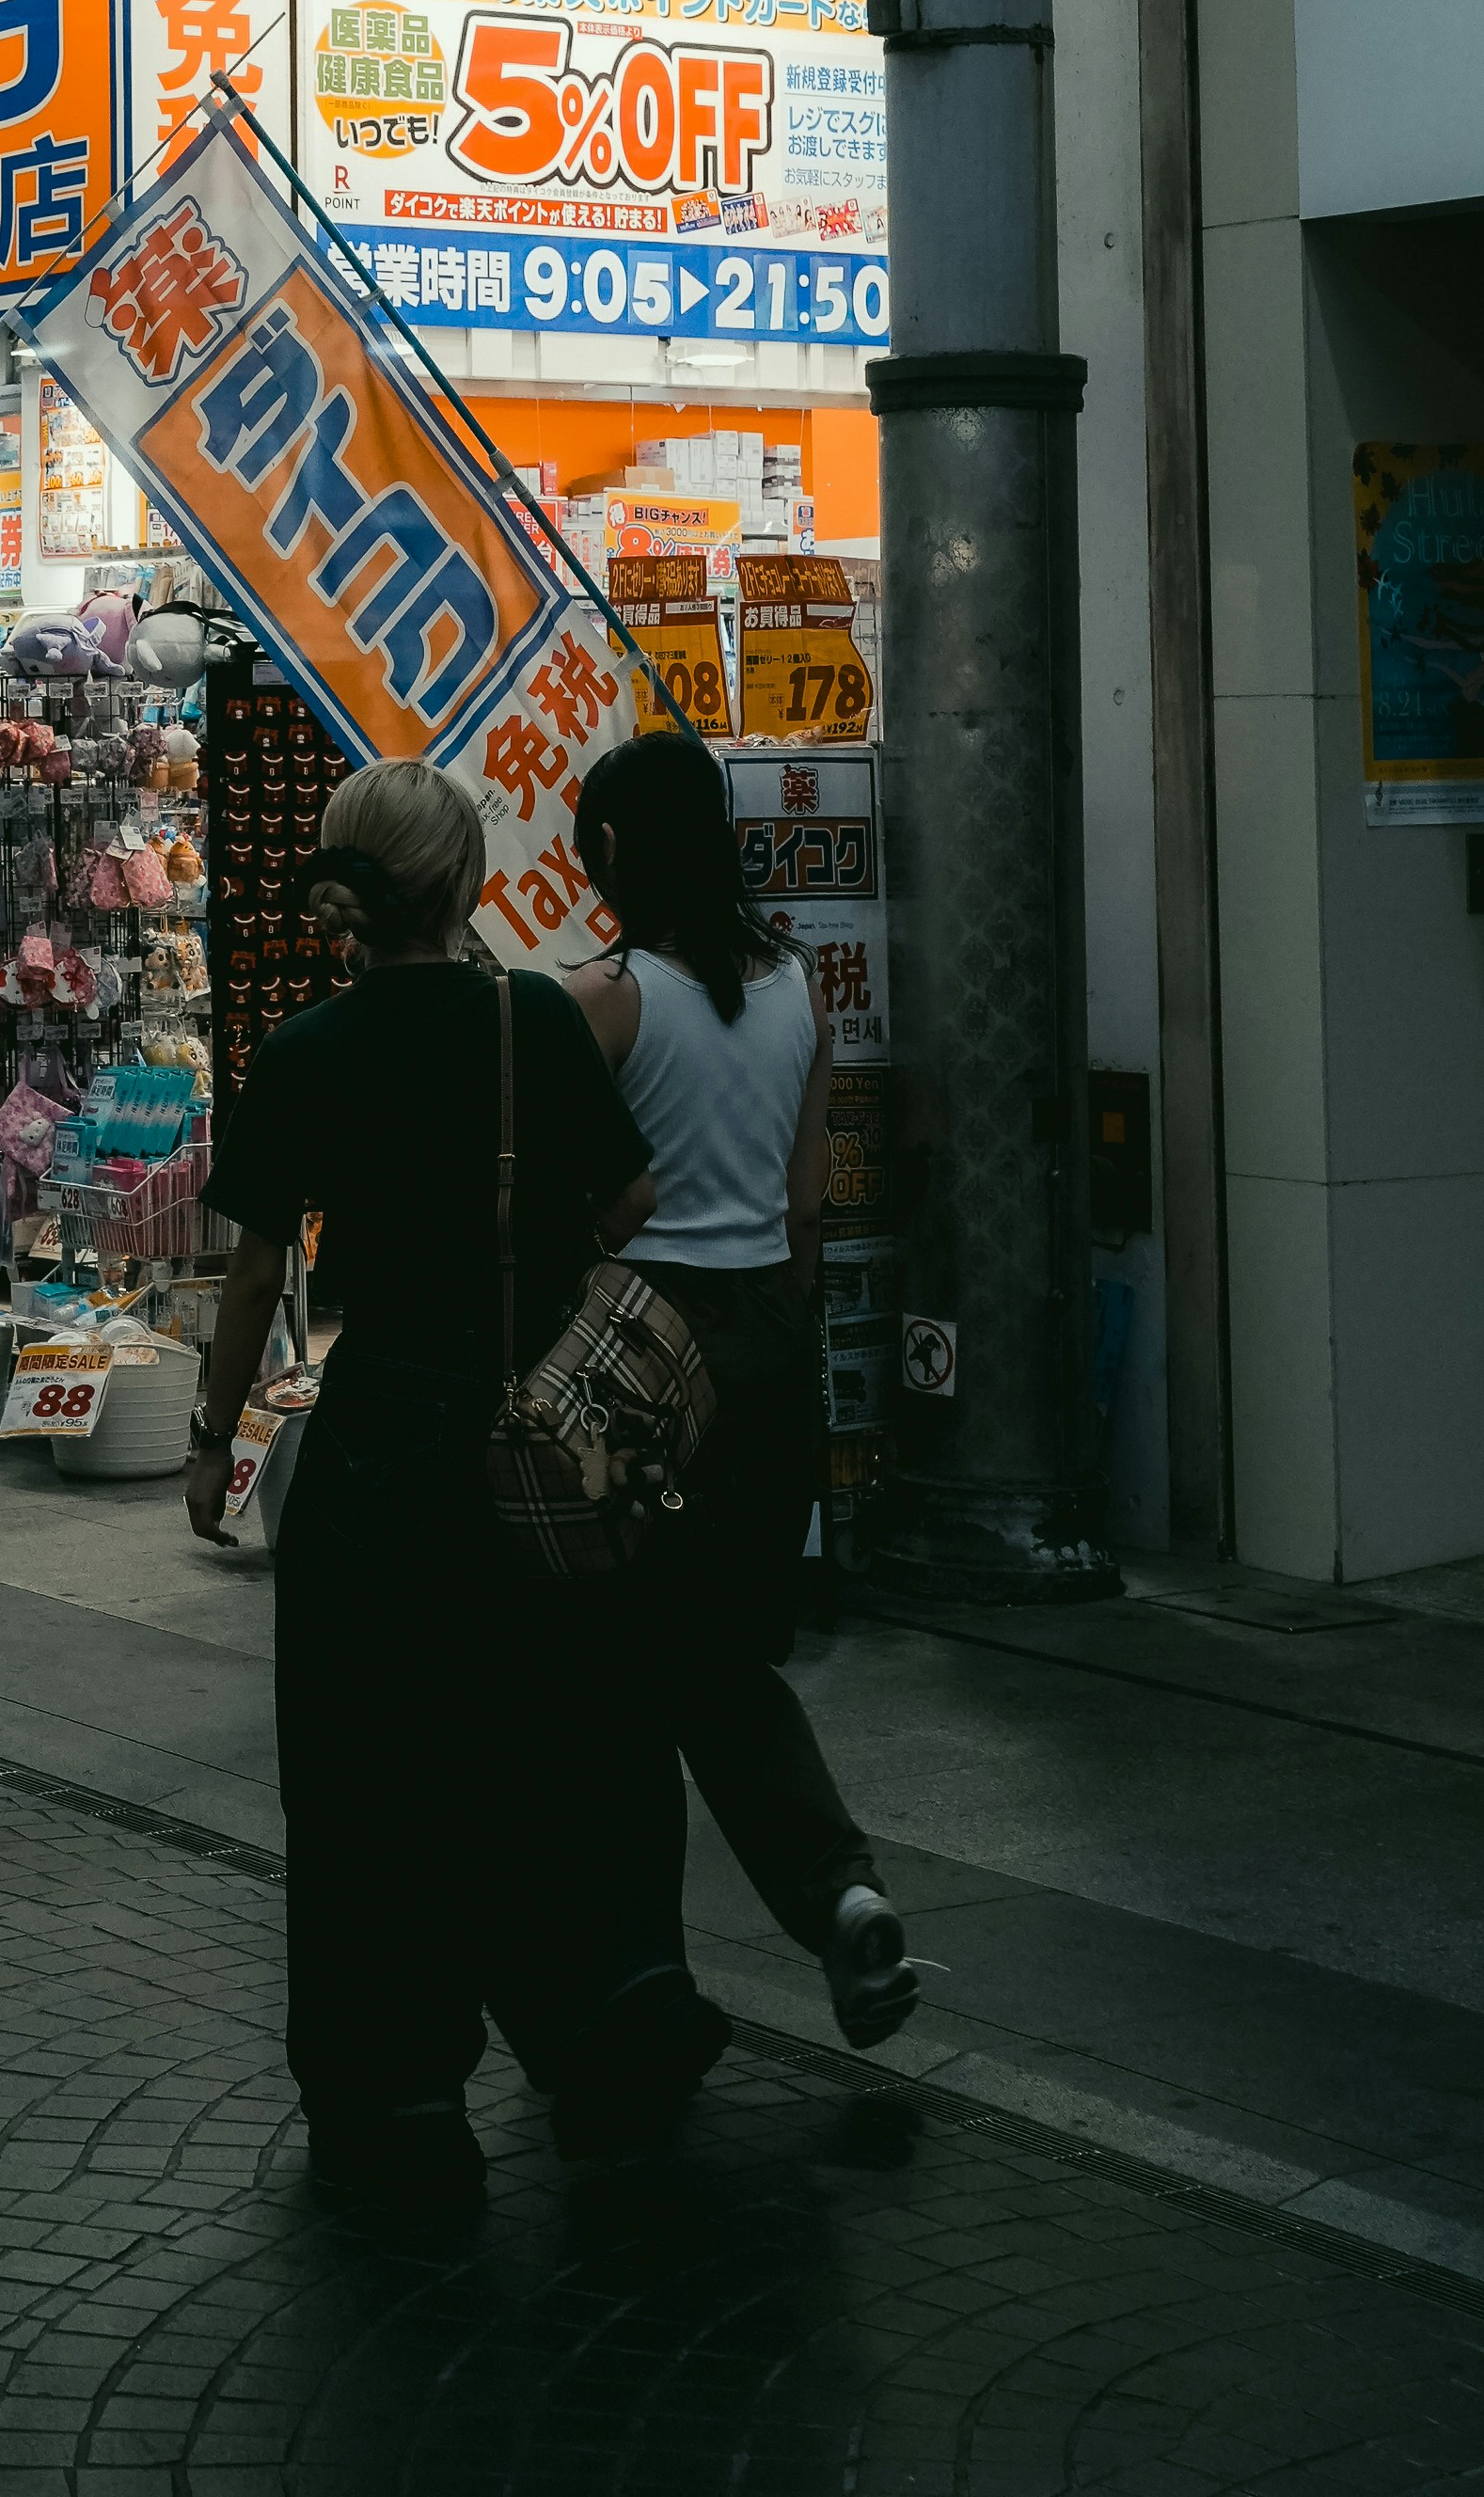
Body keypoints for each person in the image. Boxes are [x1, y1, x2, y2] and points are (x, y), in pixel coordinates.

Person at [189, 756, 699, 2207]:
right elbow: (629, 1199)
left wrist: (212, 1438)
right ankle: (599, 2018)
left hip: (378, 1458)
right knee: (552, 1744)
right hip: (535, 1443)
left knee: (366, 1780)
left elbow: (252, 1270)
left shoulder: (304, 1052)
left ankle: (395, 2090)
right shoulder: (530, 1015)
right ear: (463, 883)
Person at [564, 722, 918, 2054]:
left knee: (634, 1665)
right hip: (775, 1332)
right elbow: (811, 1203)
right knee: (714, 1653)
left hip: (652, 1348)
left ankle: (648, 1970)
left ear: (610, 849)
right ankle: (827, 1900)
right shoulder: (796, 989)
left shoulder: (606, 1000)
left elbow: (560, 1202)